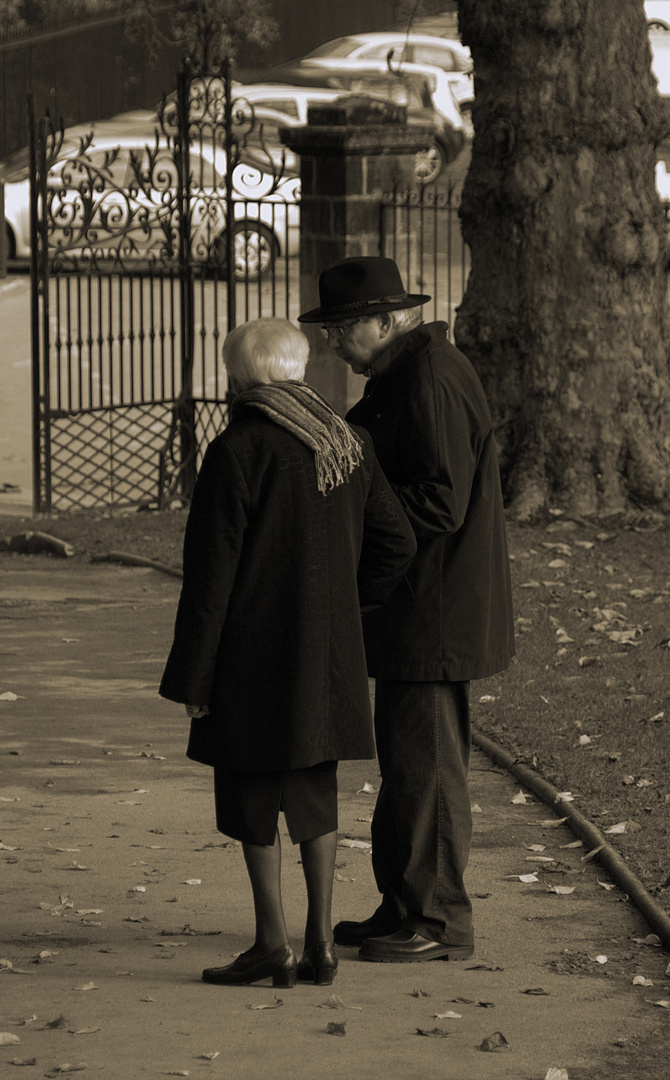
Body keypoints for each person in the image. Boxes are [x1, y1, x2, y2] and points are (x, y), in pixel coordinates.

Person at [159, 316, 416, 988]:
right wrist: (343, 609)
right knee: (313, 794)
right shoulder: (346, 442)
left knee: (250, 796)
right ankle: (320, 944)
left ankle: (271, 944)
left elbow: (211, 578)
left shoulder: (237, 451)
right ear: (297, 370)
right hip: (323, 658)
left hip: (248, 659)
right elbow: (396, 544)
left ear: (242, 377)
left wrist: (194, 673)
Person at [298, 257, 515, 964]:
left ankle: (440, 920)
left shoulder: (428, 379)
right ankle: (404, 904)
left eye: (342, 328)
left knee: (427, 764)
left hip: (435, 610)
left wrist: (360, 528)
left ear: (388, 321)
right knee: (408, 764)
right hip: (414, 608)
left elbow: (439, 500)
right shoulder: (404, 378)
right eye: (327, 329)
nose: (333, 343)